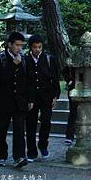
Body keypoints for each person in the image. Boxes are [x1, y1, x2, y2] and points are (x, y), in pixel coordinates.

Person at [0, 32, 31, 168]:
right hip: (3, 100)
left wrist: (29, 99)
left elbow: (27, 80)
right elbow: (1, 79)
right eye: (17, 45)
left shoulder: (24, 60)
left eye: (21, 45)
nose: (19, 48)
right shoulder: (0, 59)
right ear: (9, 44)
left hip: (19, 101)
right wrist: (14, 65)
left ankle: (19, 157)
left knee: (20, 130)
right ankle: (1, 155)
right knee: (2, 129)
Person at [24, 34, 60, 162]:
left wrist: (56, 96)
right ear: (31, 47)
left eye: (39, 47)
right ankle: (31, 151)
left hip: (47, 96)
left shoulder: (50, 59)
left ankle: (43, 145)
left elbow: (55, 79)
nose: (37, 50)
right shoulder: (25, 60)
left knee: (46, 122)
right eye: (35, 47)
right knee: (30, 125)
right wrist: (27, 99)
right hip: (31, 98)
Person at [62, 64, 77, 145]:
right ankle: (69, 136)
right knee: (73, 112)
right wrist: (69, 80)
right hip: (73, 88)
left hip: (85, 86)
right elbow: (65, 70)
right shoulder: (73, 58)